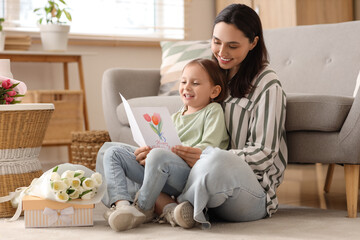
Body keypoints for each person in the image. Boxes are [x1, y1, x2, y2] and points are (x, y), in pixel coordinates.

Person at [162, 3, 288, 229]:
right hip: (202, 175)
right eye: (216, 42)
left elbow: (265, 153)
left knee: (218, 159)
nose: (221, 52)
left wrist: (206, 156)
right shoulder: (212, 75)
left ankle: (169, 204)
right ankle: (171, 207)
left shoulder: (267, 84)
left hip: (251, 192)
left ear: (253, 43)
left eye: (232, 45)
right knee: (117, 152)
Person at [98, 58, 230, 231]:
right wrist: (147, 150)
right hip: (160, 169)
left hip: (185, 173)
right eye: (183, 82)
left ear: (214, 91)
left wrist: (169, 152)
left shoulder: (212, 111)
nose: (187, 87)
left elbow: (209, 147)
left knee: (158, 155)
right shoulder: (174, 117)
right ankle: (123, 206)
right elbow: (162, 144)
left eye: (195, 83)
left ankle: (143, 207)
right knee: (112, 151)